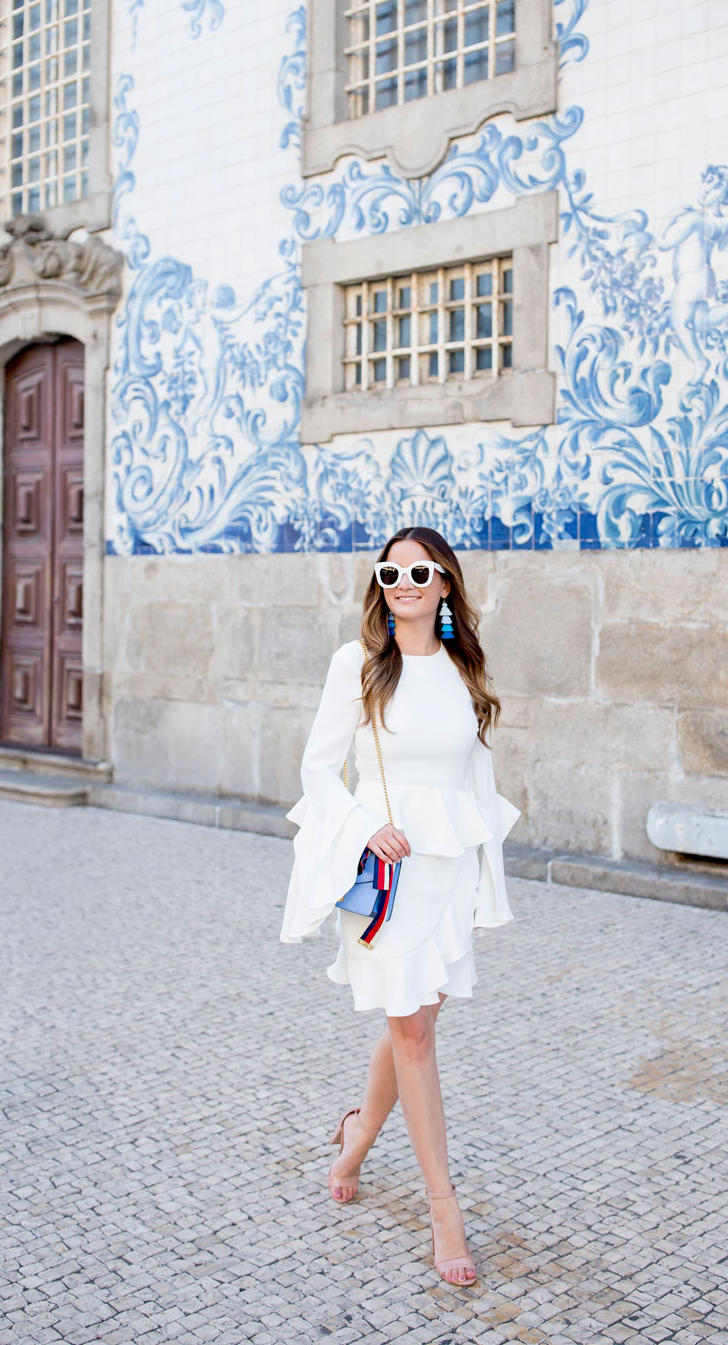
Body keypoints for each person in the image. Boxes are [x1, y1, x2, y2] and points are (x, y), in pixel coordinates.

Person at [279, 525, 520, 1288]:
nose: (405, 581)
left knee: (415, 1016)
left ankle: (354, 1139)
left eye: (421, 571)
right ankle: (445, 1210)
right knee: (412, 1032)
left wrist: (489, 885)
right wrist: (361, 826)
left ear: (446, 584)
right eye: (390, 571)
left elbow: (476, 785)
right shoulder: (356, 666)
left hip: (447, 871)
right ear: (380, 584)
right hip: (387, 872)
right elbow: (320, 771)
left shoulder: (463, 668)